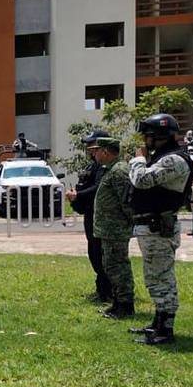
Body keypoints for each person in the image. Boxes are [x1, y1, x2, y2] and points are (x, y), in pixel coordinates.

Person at [128, 113, 193, 345]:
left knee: (161, 277)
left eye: (147, 136)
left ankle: (166, 330)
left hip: (158, 227)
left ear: (158, 136)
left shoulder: (174, 160)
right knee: (154, 276)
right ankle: (157, 322)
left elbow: (142, 180)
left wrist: (137, 160)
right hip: (151, 226)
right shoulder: (164, 157)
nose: (145, 141)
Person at [90, 138, 135, 319]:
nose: (95, 154)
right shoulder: (111, 170)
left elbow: (127, 202)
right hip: (109, 230)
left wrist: (127, 223)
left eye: (97, 150)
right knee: (111, 267)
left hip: (116, 230)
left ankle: (125, 305)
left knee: (119, 267)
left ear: (106, 152)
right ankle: (117, 303)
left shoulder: (119, 172)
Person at [67, 129, 113, 303]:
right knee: (94, 253)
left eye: (93, 146)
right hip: (90, 215)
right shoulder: (93, 165)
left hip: (101, 216)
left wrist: (78, 195)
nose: (89, 149)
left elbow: (98, 189)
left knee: (101, 253)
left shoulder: (106, 167)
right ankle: (102, 289)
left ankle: (107, 291)